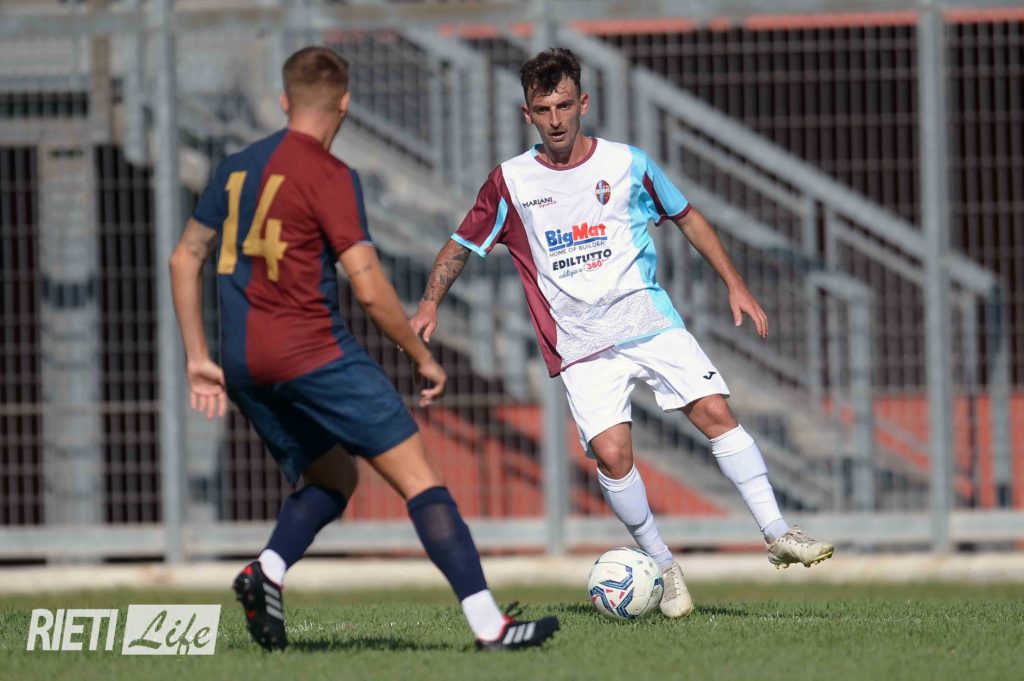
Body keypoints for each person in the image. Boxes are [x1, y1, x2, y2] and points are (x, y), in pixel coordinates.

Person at [410, 48, 834, 619]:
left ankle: (778, 532)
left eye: (564, 105)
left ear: (583, 103)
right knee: (612, 456)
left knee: (714, 410)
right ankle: (663, 567)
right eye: (543, 109)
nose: (556, 119)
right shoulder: (510, 182)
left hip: (647, 320)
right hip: (579, 341)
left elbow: (687, 216)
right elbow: (461, 244)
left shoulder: (628, 163)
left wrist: (735, 284)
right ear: (526, 114)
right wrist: (430, 302)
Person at [169, 46, 559, 652]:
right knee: (420, 479)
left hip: (244, 364)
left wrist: (199, 358)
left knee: (333, 476)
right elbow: (371, 288)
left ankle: (266, 570)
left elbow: (184, 256)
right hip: (314, 354)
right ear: (344, 103)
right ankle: (491, 626)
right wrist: (422, 357)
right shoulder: (329, 175)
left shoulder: (234, 169)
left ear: (284, 100)